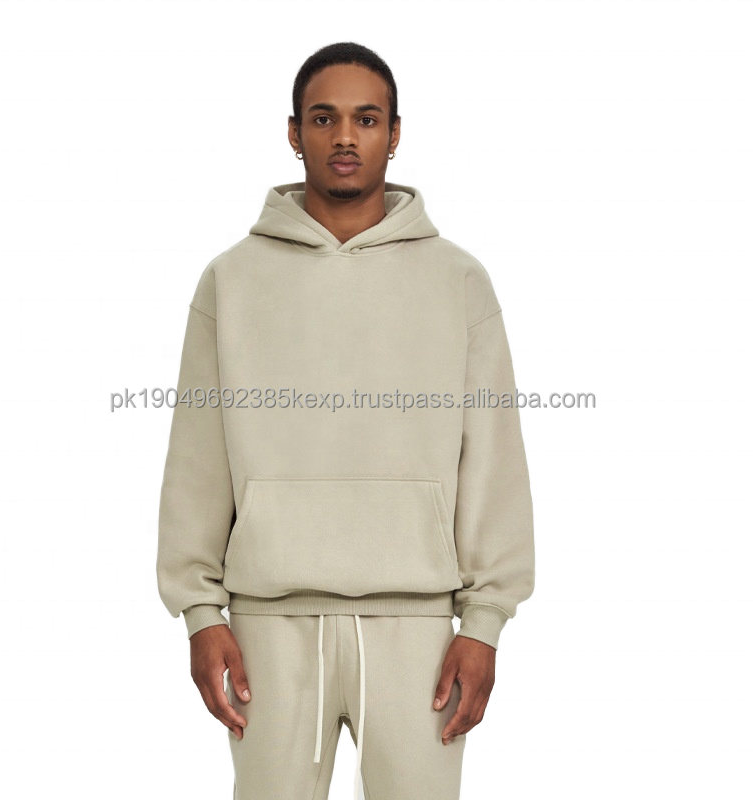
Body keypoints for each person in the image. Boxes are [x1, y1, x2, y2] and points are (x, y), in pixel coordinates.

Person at [156, 41, 535, 800]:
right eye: (324, 118)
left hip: (420, 629)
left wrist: (484, 622)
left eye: (366, 118)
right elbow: (197, 453)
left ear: (395, 133)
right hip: (267, 626)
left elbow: (492, 455)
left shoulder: (458, 280)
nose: (345, 137)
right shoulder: (232, 280)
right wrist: (200, 613)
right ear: (293, 132)